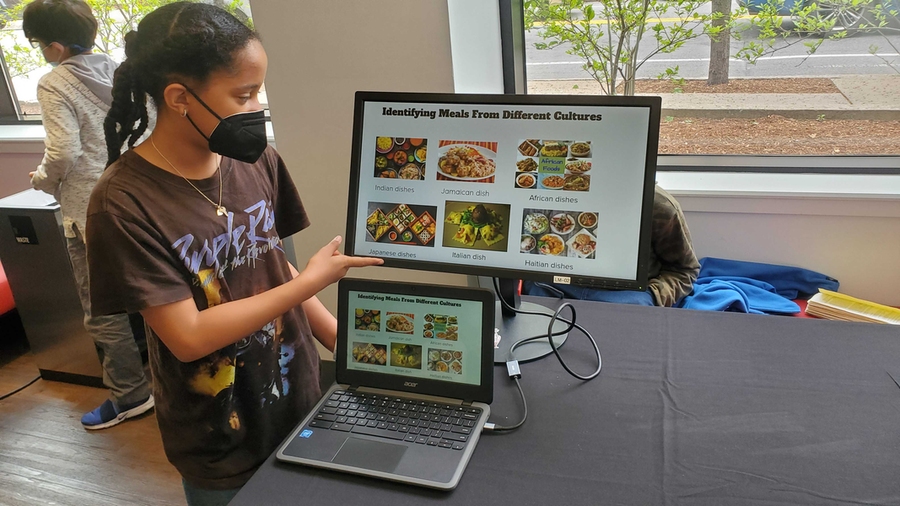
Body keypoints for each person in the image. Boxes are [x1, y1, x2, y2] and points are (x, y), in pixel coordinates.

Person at [84, 3, 382, 505]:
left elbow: (269, 263)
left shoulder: (256, 159)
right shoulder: (123, 203)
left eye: (258, 90)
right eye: (243, 94)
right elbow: (188, 337)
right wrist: (311, 282)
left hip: (298, 398)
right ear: (179, 97)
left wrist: (344, 344)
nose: (257, 106)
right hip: (219, 431)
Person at [22, 0, 154, 429]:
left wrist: (41, 179)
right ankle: (164, 381)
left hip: (90, 211)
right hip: (143, 201)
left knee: (104, 309)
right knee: (153, 294)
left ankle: (131, 395)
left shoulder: (54, 83)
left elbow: (64, 152)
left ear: (55, 46)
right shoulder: (123, 71)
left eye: (40, 44)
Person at [523, 185, 700, 307]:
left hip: (625, 295)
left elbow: (684, 270)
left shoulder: (658, 205)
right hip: (555, 287)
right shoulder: (547, 192)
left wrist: (653, 295)